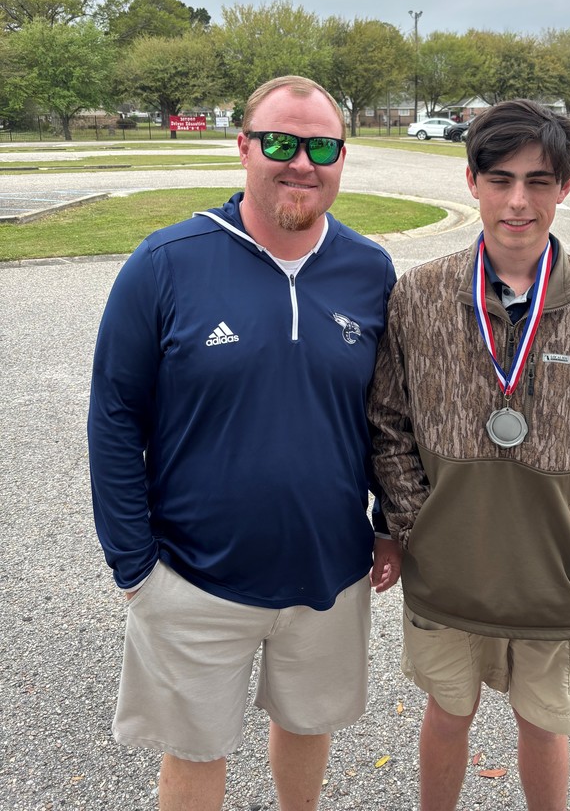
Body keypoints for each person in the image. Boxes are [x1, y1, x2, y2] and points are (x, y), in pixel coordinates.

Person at [88, 75, 401, 811]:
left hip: (329, 571)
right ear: (243, 146)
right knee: (196, 752)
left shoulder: (371, 271)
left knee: (307, 726)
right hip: (193, 575)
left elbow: (392, 416)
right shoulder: (166, 263)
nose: (301, 162)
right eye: (281, 142)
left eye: (322, 145)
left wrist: (388, 523)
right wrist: (134, 564)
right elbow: (113, 416)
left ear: (342, 157)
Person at [368, 99, 570, 811]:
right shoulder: (420, 295)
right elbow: (388, 418)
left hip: (551, 582)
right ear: (471, 182)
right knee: (447, 715)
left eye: (539, 180)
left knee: (544, 724)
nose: (518, 201)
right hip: (448, 574)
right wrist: (418, 527)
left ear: (565, 186)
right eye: (499, 179)